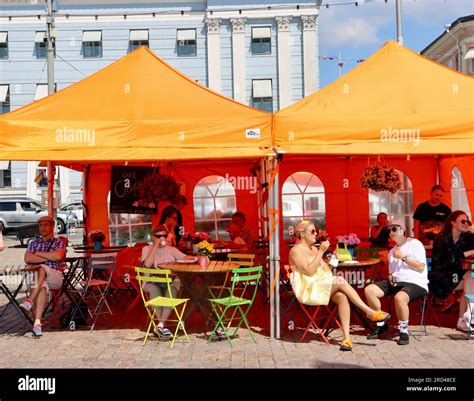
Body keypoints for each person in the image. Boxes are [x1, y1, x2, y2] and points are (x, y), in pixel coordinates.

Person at [289, 220, 390, 352]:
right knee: (340, 280)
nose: (316, 234)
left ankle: (346, 339)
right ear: (302, 234)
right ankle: (369, 312)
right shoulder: (296, 251)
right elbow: (309, 271)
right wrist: (321, 252)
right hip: (308, 289)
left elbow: (323, 270)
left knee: (342, 296)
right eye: (312, 231)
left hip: (320, 285)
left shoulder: (313, 248)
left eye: (316, 231)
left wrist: (332, 261)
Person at [365, 220, 428, 345]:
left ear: (403, 229)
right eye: (389, 229)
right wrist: (390, 277)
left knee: (399, 297)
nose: (391, 232)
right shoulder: (391, 252)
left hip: (416, 282)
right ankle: (381, 323)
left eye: (394, 229)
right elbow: (392, 272)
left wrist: (403, 258)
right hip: (398, 282)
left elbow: (421, 267)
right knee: (369, 290)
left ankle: (403, 331)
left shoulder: (414, 244)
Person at [141, 225, 195, 337]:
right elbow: (147, 265)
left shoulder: (171, 250)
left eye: (164, 236)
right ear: (152, 237)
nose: (162, 238)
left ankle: (160, 325)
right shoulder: (146, 249)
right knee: (154, 289)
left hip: (171, 281)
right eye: (158, 236)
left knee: (172, 289)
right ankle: (162, 326)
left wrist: (198, 257)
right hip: (152, 282)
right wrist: (155, 246)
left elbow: (185, 258)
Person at [20, 215, 67, 337]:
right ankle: (37, 323)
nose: (43, 228)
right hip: (37, 279)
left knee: (42, 267)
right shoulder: (33, 242)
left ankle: (30, 300)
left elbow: (58, 257)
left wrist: (38, 254)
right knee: (41, 285)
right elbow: (27, 258)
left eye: (46, 225)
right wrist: (48, 255)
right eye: (40, 225)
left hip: (54, 276)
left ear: (52, 226)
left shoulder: (58, 242)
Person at [430, 211, 474, 331]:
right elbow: (450, 258)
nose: (466, 224)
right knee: (470, 279)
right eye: (463, 221)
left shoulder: (466, 237)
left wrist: (472, 231)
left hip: (456, 275)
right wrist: (470, 252)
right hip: (440, 277)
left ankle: (464, 318)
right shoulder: (442, 238)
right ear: (453, 222)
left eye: (468, 221)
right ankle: (466, 316)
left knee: (471, 277)